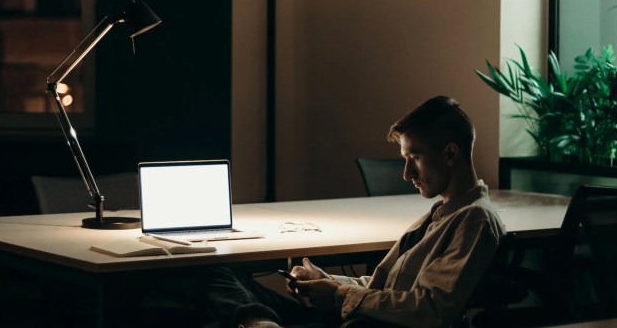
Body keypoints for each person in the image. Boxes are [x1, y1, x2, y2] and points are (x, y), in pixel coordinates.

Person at [138, 96, 506, 327]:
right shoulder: (442, 214)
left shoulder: (474, 220)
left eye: (415, 158)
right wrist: (327, 281)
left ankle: (256, 321)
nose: (406, 173)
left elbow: (431, 309)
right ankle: (259, 322)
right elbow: (381, 289)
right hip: (354, 314)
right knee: (212, 270)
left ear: (450, 154)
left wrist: (339, 296)